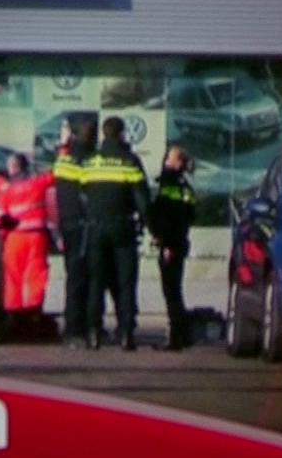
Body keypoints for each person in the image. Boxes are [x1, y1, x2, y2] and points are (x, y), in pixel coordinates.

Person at [82, 115, 150, 351]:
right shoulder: (129, 161)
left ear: (104, 133)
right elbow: (142, 199)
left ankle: (93, 333)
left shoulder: (90, 162)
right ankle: (126, 333)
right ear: (121, 134)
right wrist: (149, 225)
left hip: (95, 228)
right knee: (126, 282)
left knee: (96, 282)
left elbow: (83, 193)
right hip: (122, 228)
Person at [0, 152, 58, 339]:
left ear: (12, 168)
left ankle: (15, 316)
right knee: (35, 276)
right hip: (36, 237)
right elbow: (56, 174)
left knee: (14, 278)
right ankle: (33, 313)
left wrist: (3, 238)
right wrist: (64, 149)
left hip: (14, 239)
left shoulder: (5, 190)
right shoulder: (37, 183)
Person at [148, 143, 199, 350]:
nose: (165, 161)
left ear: (178, 163)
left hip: (171, 244)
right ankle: (182, 334)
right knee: (174, 290)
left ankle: (176, 337)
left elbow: (166, 215)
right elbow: (190, 216)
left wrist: (162, 238)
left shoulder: (169, 184)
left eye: (169, 158)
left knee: (171, 292)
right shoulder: (186, 185)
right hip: (179, 241)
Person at [52, 119, 94, 348]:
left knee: (74, 279)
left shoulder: (62, 163)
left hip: (68, 225)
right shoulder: (90, 162)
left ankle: (73, 329)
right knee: (86, 280)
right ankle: (81, 329)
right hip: (85, 226)